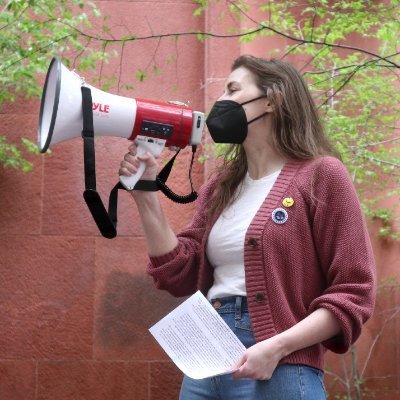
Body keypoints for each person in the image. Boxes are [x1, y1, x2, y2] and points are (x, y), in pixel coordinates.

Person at [119, 55, 376, 400]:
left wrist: (277, 347)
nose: (220, 101)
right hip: (206, 356)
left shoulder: (321, 175)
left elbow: (355, 291)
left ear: (272, 99)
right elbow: (179, 272)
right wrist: (145, 192)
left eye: (233, 89)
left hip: (281, 363)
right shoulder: (221, 187)